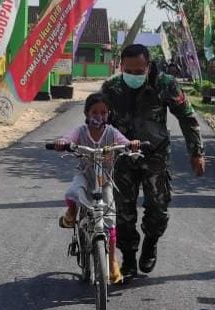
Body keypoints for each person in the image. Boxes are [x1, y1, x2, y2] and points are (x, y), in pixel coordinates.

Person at [101, 44, 205, 280]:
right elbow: (98, 118)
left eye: (139, 71)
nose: (134, 76)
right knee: (123, 213)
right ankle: (128, 257)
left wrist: (196, 152)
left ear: (148, 66)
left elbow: (187, 118)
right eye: (129, 71)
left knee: (158, 209)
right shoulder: (112, 87)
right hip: (122, 155)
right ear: (121, 67)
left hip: (155, 154)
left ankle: (150, 242)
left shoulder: (165, 84)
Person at [54, 92, 140, 284]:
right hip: (85, 175)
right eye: (94, 112)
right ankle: (70, 215)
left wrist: (131, 145)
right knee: (73, 192)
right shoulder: (81, 131)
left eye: (103, 112)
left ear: (108, 114)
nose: (99, 116)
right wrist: (63, 142)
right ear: (86, 113)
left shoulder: (111, 132)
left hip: (105, 180)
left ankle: (112, 262)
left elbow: (125, 143)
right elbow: (69, 138)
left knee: (109, 218)